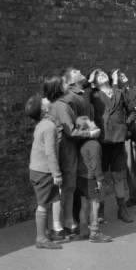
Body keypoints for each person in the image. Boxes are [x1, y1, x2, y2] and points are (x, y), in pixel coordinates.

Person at [44, 74, 98, 241]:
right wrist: (90, 132)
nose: (69, 85)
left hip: (63, 150)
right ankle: (64, 223)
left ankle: (65, 222)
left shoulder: (59, 105)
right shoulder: (61, 106)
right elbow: (71, 131)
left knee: (65, 189)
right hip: (66, 151)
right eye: (65, 83)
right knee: (67, 188)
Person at [89, 68, 134, 223]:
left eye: (102, 72)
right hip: (101, 141)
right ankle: (100, 211)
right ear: (94, 83)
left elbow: (132, 111)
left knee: (118, 176)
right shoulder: (94, 95)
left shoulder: (119, 93)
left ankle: (122, 209)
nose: (100, 74)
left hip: (118, 140)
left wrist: (125, 126)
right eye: (96, 75)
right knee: (100, 179)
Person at [25, 94, 63, 250]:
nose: (46, 99)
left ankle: (46, 232)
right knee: (42, 204)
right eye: (43, 100)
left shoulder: (43, 124)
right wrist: (57, 174)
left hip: (38, 169)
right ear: (43, 108)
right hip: (44, 171)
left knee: (51, 200)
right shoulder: (48, 126)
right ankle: (41, 238)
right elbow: (50, 153)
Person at [75, 116, 112, 243]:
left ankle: (83, 230)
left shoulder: (81, 144)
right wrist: (100, 179)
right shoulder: (94, 144)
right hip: (91, 178)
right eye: (92, 124)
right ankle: (95, 232)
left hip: (80, 178)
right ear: (87, 129)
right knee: (95, 204)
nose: (95, 125)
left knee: (84, 205)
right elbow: (96, 163)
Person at [113, 69, 136, 207]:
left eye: (122, 73)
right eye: (118, 75)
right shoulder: (117, 93)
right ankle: (134, 196)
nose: (122, 75)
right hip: (127, 133)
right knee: (130, 166)